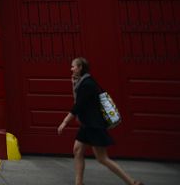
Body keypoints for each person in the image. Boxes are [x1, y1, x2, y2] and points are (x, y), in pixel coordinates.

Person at [56, 57, 141, 185]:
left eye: (73, 66)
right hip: (87, 124)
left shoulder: (87, 84)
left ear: (80, 68)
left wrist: (64, 122)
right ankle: (78, 183)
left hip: (94, 125)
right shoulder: (83, 82)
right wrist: (74, 85)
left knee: (102, 158)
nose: (71, 69)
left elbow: (78, 106)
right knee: (77, 150)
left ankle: (132, 182)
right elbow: (79, 102)